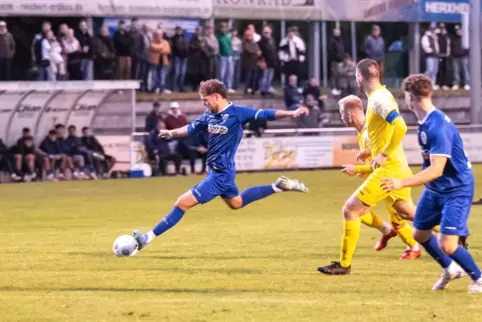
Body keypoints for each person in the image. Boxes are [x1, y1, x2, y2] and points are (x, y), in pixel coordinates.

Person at [132, 79, 309, 250]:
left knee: (182, 203)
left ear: (216, 96)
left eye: (205, 100)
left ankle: (146, 238)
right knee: (236, 203)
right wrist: (171, 133)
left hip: (220, 175)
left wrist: (290, 113)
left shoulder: (237, 113)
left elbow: (264, 114)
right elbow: (189, 128)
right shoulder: (209, 116)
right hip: (219, 172)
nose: (203, 104)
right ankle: (278, 186)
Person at [381, 74, 481, 292]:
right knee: (420, 234)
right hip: (436, 189)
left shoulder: (437, 126)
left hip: (457, 189)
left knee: (447, 244)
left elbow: (437, 169)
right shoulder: (425, 122)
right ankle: (451, 270)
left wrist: (402, 182)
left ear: (410, 97)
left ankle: (479, 278)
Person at [317, 59, 416, 275]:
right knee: (406, 214)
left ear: (359, 77)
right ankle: (454, 231)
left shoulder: (379, 99)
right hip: (394, 166)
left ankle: (344, 265)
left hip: (389, 168)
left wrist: (382, 154)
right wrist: (372, 153)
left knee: (350, 209)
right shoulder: (381, 96)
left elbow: (401, 126)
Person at [338, 95, 421, 258]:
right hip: (383, 175)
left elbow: (384, 159)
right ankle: (391, 233)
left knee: (356, 210)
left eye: (341, 114)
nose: (341, 117)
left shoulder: (371, 131)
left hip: (391, 174)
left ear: (349, 115)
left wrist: (357, 168)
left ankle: (443, 234)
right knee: (400, 215)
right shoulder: (363, 132)